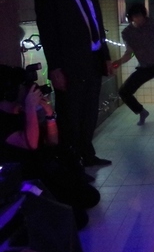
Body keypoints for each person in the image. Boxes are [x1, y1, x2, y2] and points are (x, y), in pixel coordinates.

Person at [34, 0, 113, 167]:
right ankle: (71, 162)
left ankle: (87, 154)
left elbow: (98, 27)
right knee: (70, 114)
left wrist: (106, 57)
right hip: (69, 65)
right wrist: (55, 68)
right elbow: (48, 33)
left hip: (93, 60)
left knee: (89, 111)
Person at [0, 64, 100, 230]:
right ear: (10, 92)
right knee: (78, 219)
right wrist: (30, 108)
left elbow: (52, 142)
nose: (28, 91)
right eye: (23, 87)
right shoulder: (3, 121)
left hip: (46, 169)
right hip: (28, 179)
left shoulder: (21, 112)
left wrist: (49, 115)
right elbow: (31, 144)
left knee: (90, 197)